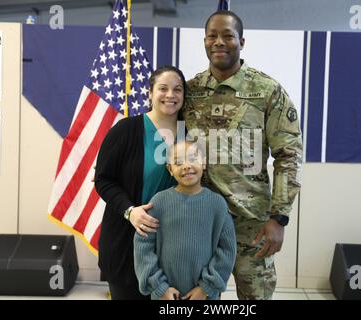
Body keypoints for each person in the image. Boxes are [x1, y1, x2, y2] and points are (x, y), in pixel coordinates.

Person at [182, 10, 303, 300]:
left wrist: (280, 218)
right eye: (212, 36)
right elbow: (174, 151)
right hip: (201, 221)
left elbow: (288, 156)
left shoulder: (267, 91)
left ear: (242, 41)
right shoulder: (190, 91)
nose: (219, 42)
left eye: (228, 36)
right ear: (204, 41)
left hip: (253, 225)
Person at [94, 65, 186, 300]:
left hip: (174, 246)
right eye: (162, 88)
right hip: (127, 244)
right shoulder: (126, 130)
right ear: (150, 93)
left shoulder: (190, 134)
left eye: (177, 90)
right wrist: (129, 211)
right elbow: (103, 179)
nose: (170, 95)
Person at [134, 140, 236, 300]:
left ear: (204, 163)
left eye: (192, 159)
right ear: (170, 169)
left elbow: (226, 250)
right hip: (166, 294)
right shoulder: (159, 202)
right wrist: (160, 288)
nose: (186, 166)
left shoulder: (217, 205)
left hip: (204, 296)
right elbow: (143, 247)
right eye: (178, 162)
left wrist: (206, 288)